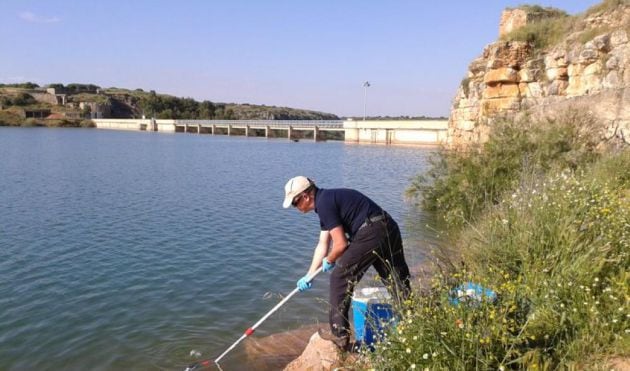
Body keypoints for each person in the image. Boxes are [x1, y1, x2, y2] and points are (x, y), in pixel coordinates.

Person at [283, 176, 411, 350]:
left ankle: (340, 337)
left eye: (294, 203)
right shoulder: (326, 200)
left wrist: (330, 260)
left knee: (339, 278)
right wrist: (309, 274)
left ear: (305, 196)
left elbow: (341, 244)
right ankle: (412, 322)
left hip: (371, 231)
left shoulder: (325, 204)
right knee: (395, 279)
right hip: (387, 227)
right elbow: (323, 244)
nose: (295, 207)